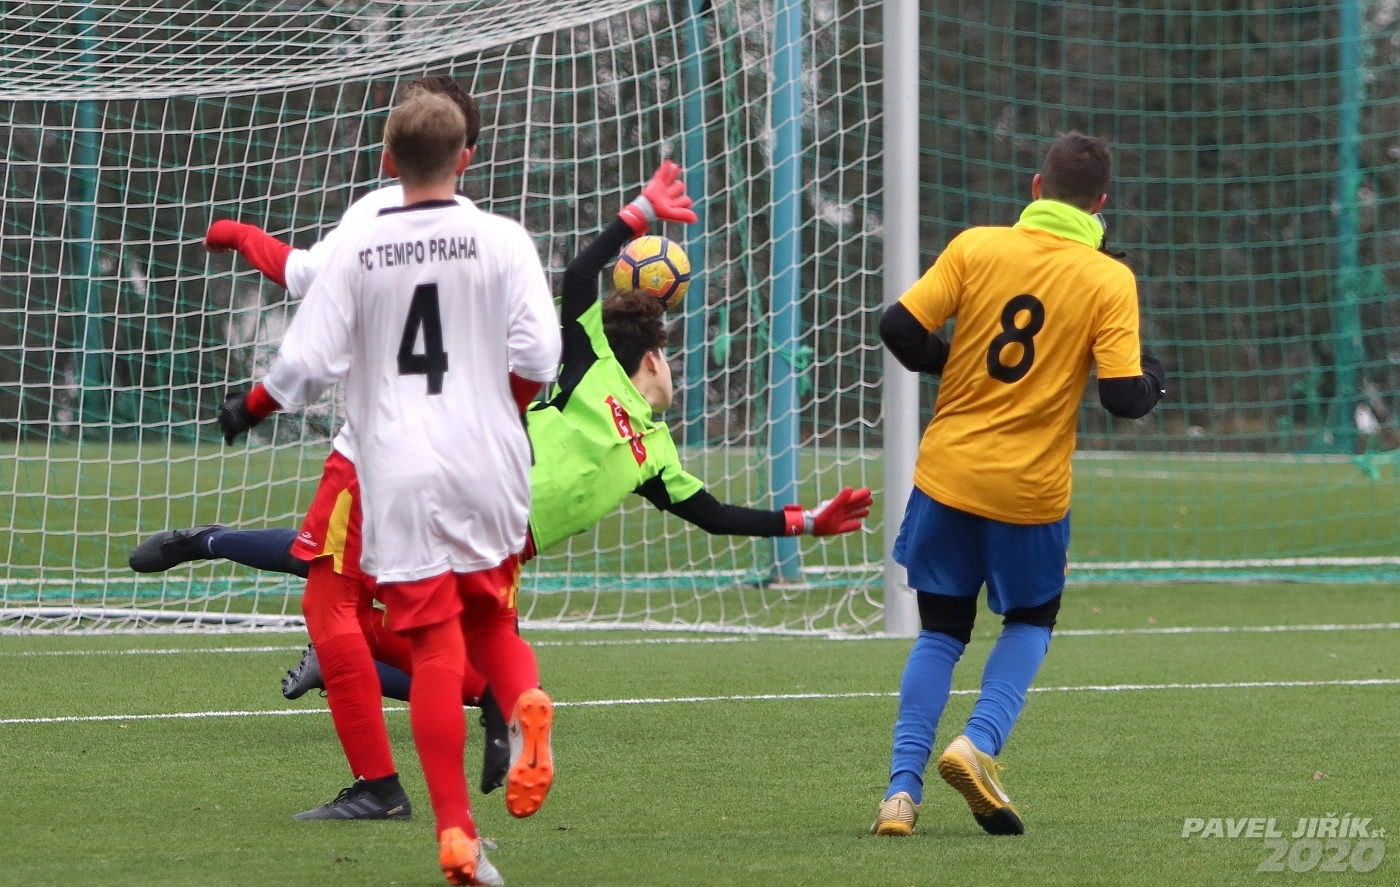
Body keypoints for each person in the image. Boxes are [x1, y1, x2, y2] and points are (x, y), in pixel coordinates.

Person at [133, 164, 873, 703]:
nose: (677, 371)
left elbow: (714, 515)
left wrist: (808, 522)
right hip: (466, 495)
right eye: (672, 357)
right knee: (331, 563)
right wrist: (639, 213)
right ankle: (209, 541)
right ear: (652, 357)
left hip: (502, 552)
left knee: (485, 685)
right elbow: (580, 274)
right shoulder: (592, 363)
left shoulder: (658, 457)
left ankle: (339, 655)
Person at [234, 87, 561, 886]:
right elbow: (539, 357)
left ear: (387, 161)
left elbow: (305, 364)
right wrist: (494, 406)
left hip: (400, 467)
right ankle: (524, 702)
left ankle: (455, 832)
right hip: (490, 460)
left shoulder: (362, 245)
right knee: (493, 622)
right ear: (466, 158)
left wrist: (251, 407)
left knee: (435, 647)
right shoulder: (504, 238)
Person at [871, 132, 1165, 838]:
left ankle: (900, 795)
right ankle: (977, 743)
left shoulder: (976, 247)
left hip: (946, 476)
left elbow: (898, 327)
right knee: (1031, 620)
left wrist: (953, 361)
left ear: (1037, 187)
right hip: (1029, 493)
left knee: (941, 631)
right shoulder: (1107, 279)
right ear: (1100, 203)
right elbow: (1123, 396)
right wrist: (1156, 375)